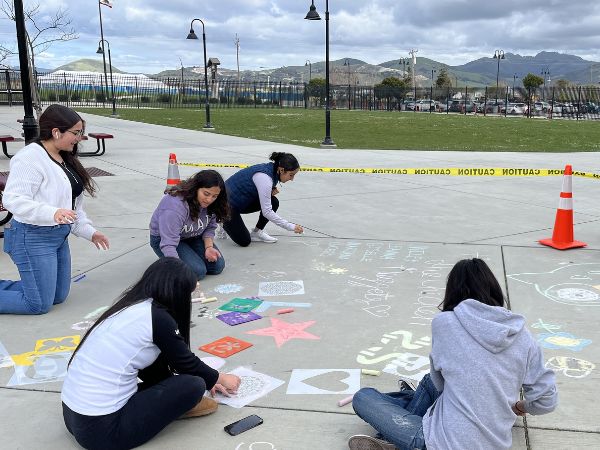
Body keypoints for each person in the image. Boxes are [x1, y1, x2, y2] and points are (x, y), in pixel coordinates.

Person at [350, 258, 558, 450]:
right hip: (496, 444)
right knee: (428, 383)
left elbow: (441, 384)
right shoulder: (524, 337)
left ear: (452, 291)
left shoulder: (445, 323)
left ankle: (395, 439)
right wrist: (521, 406)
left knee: (364, 397)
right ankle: (396, 429)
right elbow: (546, 401)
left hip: (438, 443)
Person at [62, 257, 241, 450]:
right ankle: (176, 407)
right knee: (193, 385)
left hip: (73, 417)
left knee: (181, 382)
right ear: (176, 294)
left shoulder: (129, 306)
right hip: (103, 431)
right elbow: (186, 363)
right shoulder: (158, 318)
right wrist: (219, 378)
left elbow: (152, 367)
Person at [0, 104, 109, 315]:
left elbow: (73, 209)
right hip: (32, 237)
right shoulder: (29, 157)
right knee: (38, 304)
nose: (79, 138)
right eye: (76, 133)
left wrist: (90, 232)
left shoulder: (65, 158)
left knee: (57, 297)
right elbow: (14, 200)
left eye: (81, 132)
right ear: (56, 132)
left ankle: (34, 288)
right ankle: (35, 291)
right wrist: (51, 212)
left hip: (58, 236)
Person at [149, 170, 228, 280]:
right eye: (206, 194)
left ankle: (186, 256)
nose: (209, 199)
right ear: (196, 188)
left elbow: (210, 227)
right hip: (164, 239)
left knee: (217, 266)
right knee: (197, 272)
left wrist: (209, 247)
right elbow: (168, 243)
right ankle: (165, 264)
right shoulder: (175, 205)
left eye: (214, 196)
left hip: (192, 236)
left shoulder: (213, 203)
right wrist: (175, 268)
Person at [223, 152, 303, 246]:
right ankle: (220, 218)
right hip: (225, 206)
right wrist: (291, 226)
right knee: (244, 241)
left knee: (274, 202)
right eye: (291, 175)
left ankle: (256, 232)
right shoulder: (265, 177)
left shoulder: (273, 170)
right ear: (281, 170)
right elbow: (267, 212)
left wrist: (269, 191)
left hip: (239, 202)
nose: (292, 178)